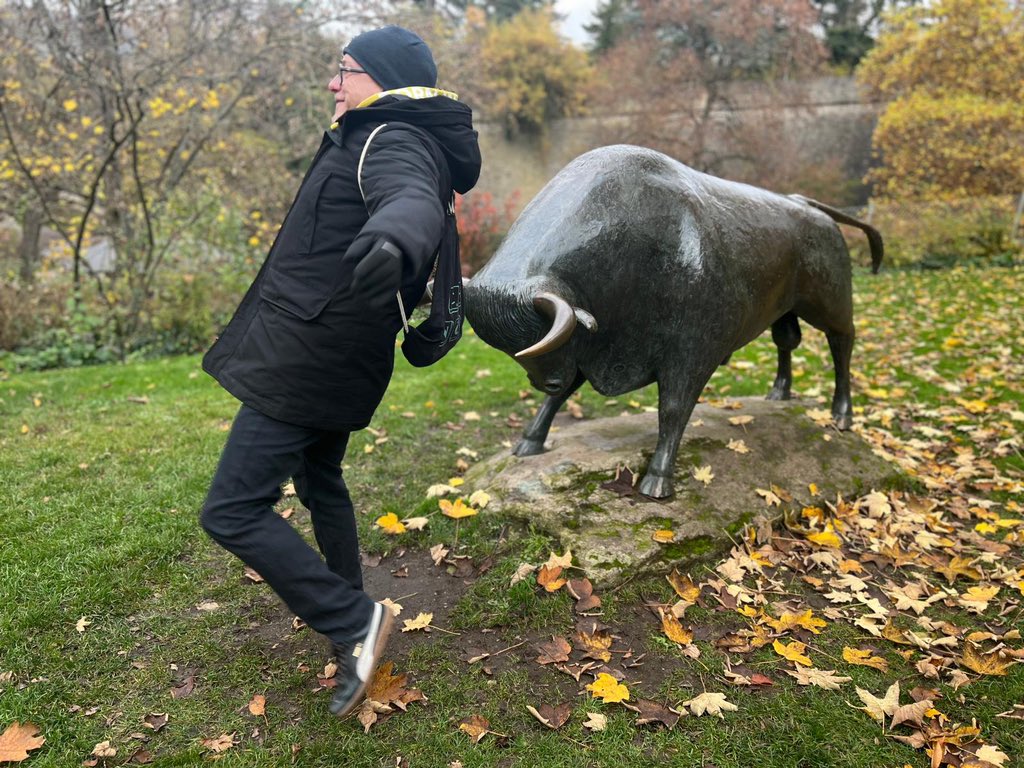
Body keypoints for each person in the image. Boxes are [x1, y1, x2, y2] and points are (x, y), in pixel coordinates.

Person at [199, 25, 480, 718]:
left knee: (232, 510)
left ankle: (353, 622)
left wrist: (394, 235)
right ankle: (353, 620)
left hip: (307, 358)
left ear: (380, 79)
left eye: (345, 70)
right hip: (334, 349)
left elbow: (409, 199)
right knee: (320, 479)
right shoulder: (377, 132)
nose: (334, 82)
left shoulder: (392, 139)